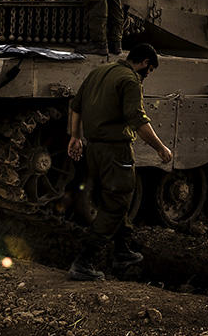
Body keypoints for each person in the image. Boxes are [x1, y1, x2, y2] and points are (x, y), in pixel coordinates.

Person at [66, 43, 172, 281]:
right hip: (116, 152)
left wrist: (75, 136)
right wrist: (160, 148)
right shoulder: (130, 80)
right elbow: (137, 119)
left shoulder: (99, 71)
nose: (148, 74)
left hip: (93, 150)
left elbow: (76, 106)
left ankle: (122, 251)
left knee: (112, 201)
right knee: (117, 202)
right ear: (144, 63)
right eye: (150, 69)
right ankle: (84, 261)